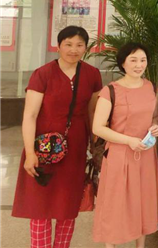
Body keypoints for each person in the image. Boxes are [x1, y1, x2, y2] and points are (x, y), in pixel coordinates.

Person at [12, 26, 103, 248]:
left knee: (67, 205)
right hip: (43, 147)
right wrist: (30, 153)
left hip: (76, 146)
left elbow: (92, 112)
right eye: (68, 44)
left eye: (79, 45)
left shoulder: (92, 74)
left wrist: (94, 146)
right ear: (58, 46)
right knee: (40, 205)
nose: (74, 49)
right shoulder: (42, 74)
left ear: (86, 48)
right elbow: (30, 115)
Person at [92, 43, 158, 247]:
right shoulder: (110, 91)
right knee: (115, 204)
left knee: (143, 202)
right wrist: (128, 140)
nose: (139, 65)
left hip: (145, 155)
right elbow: (98, 127)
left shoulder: (150, 87)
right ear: (123, 63)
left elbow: (154, 117)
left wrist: (155, 127)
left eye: (143, 60)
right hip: (119, 155)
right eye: (133, 60)